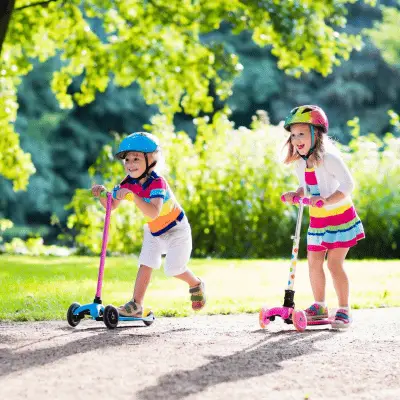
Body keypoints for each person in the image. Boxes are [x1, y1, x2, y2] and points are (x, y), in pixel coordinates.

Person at [91, 132, 206, 317]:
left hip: (176, 228)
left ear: (151, 159)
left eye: (136, 159)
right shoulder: (128, 182)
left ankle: (195, 284)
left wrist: (134, 196)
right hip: (154, 231)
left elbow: (153, 212)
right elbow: (110, 206)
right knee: (146, 263)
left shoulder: (157, 182)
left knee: (173, 269)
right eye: (127, 160)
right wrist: (102, 195)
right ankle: (136, 305)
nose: (130, 164)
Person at [281, 105, 365, 328]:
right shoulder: (301, 162)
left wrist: (328, 200)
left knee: (334, 264)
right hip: (318, 220)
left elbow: (348, 185)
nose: (296, 139)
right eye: (293, 135)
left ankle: (344, 310)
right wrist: (296, 194)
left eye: (301, 133)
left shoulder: (330, 159)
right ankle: (319, 306)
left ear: (315, 134)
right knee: (313, 263)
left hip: (340, 217)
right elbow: (306, 187)